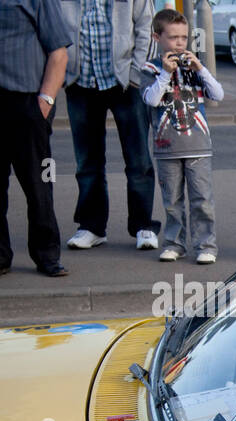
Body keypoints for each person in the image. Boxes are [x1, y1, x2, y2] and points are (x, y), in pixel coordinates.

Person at [59, 0, 159, 251]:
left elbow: (147, 26)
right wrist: (63, 72)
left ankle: (143, 225)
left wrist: (137, 75)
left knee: (138, 160)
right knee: (87, 162)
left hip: (126, 81)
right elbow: (51, 27)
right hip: (80, 80)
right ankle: (91, 227)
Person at [141, 9, 224, 264]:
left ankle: (206, 245)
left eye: (184, 37)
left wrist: (201, 68)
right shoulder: (151, 68)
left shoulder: (195, 66)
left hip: (198, 146)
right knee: (172, 202)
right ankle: (175, 243)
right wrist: (166, 73)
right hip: (167, 147)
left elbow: (217, 95)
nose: (179, 42)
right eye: (173, 37)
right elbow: (151, 99)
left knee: (202, 200)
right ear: (157, 37)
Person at [0, 0, 72, 277]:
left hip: (28, 104)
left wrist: (45, 101)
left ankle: (47, 256)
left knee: (40, 183)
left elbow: (59, 52)